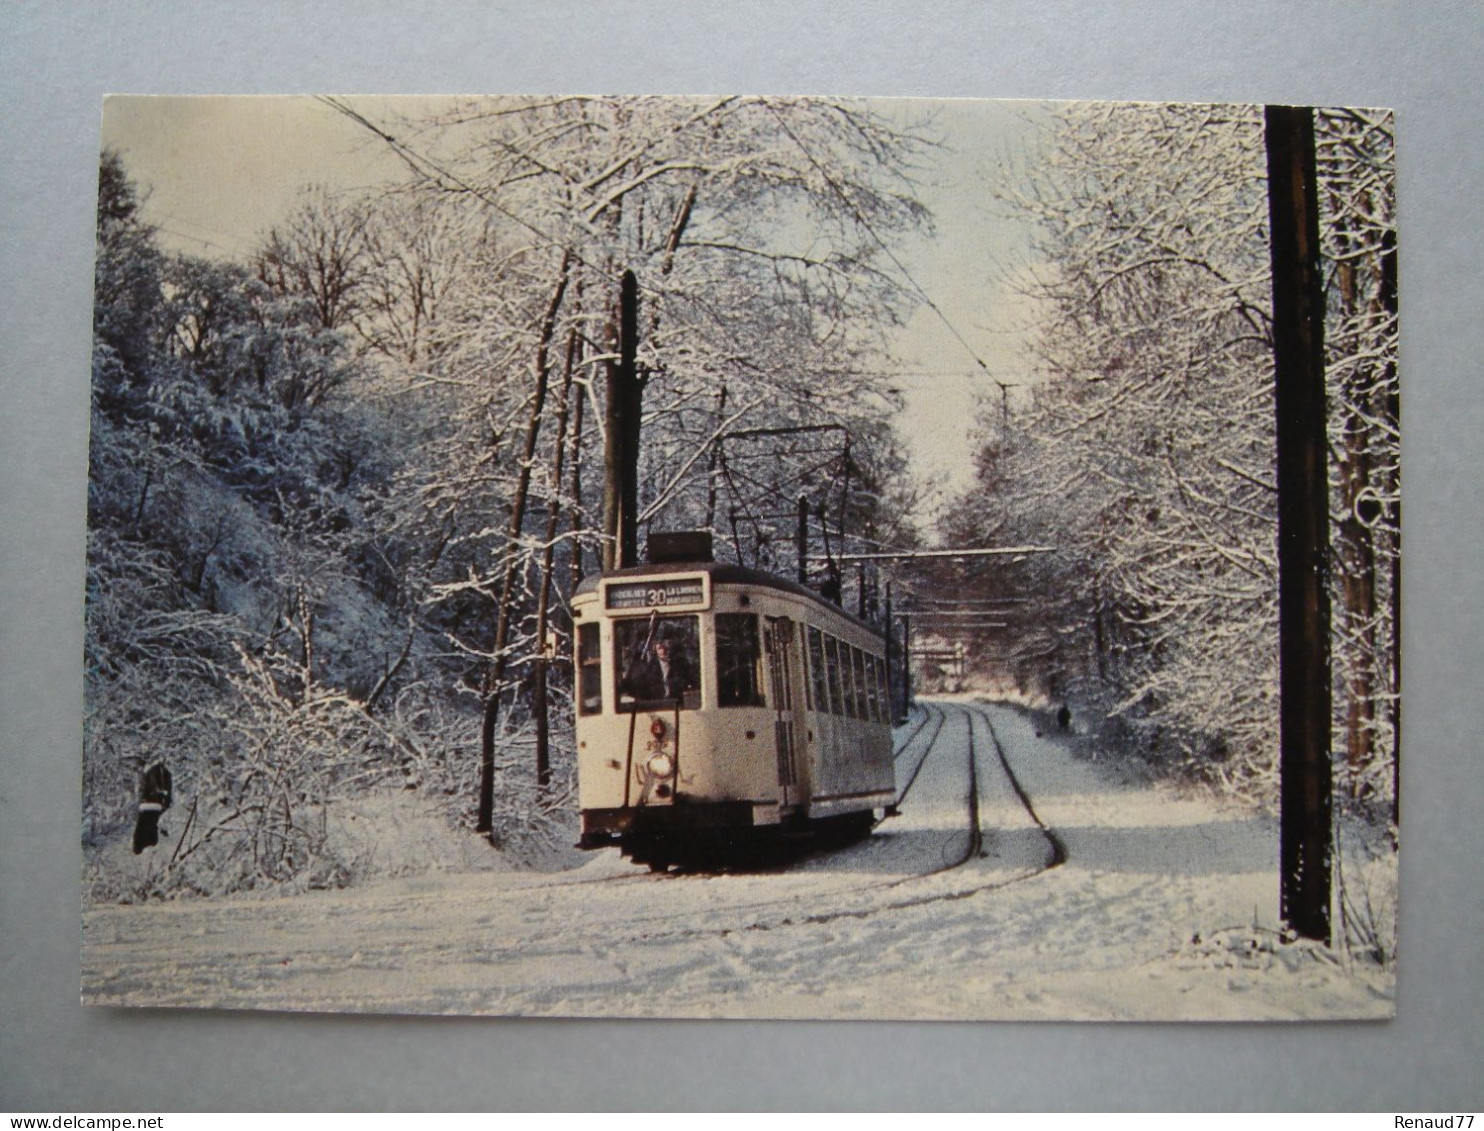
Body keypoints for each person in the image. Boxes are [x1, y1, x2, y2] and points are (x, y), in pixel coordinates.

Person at [621, 633, 698, 704]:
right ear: (655, 649)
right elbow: (640, 687)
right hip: (657, 706)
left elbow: (692, 681)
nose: (663, 651)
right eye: (660, 648)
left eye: (666, 647)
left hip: (677, 706)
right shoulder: (648, 667)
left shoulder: (681, 665)